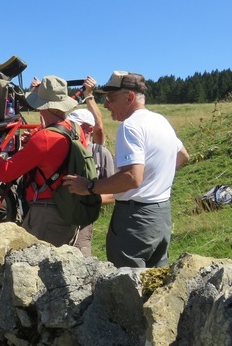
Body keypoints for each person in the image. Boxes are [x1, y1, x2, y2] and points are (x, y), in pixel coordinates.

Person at [64, 71, 189, 268]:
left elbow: (131, 177)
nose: (106, 105)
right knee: (155, 279)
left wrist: (88, 186)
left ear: (129, 97)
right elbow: (182, 155)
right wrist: (154, 178)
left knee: (127, 283)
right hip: (161, 214)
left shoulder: (130, 126)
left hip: (135, 219)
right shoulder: (161, 121)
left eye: (111, 98)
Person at [0, 75, 83, 246]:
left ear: (43, 106)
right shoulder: (76, 130)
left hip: (47, 216)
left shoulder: (45, 138)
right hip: (69, 210)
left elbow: (5, 173)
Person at [67, 76, 116, 257]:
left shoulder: (100, 153)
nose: (71, 130)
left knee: (80, 263)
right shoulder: (62, 149)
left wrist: (88, 196)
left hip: (82, 223)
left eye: (76, 126)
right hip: (57, 221)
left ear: (88, 129)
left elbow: (114, 193)